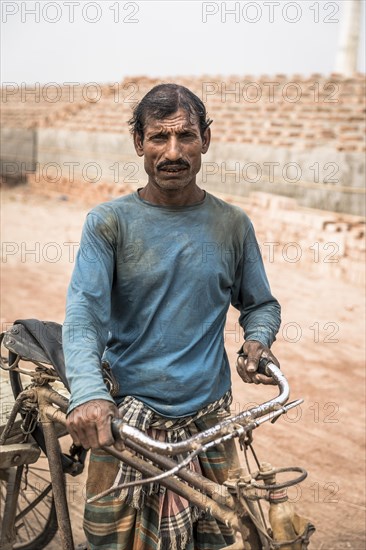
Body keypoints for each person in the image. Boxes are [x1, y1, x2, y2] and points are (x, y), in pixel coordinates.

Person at [63, 83, 281, 549]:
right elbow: (84, 315)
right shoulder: (108, 223)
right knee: (112, 541)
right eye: (159, 138)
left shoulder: (232, 225)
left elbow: (260, 303)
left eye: (186, 136)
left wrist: (257, 340)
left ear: (206, 138)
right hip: (127, 421)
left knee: (217, 537)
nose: (173, 152)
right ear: (139, 143)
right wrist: (87, 393)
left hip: (209, 422)